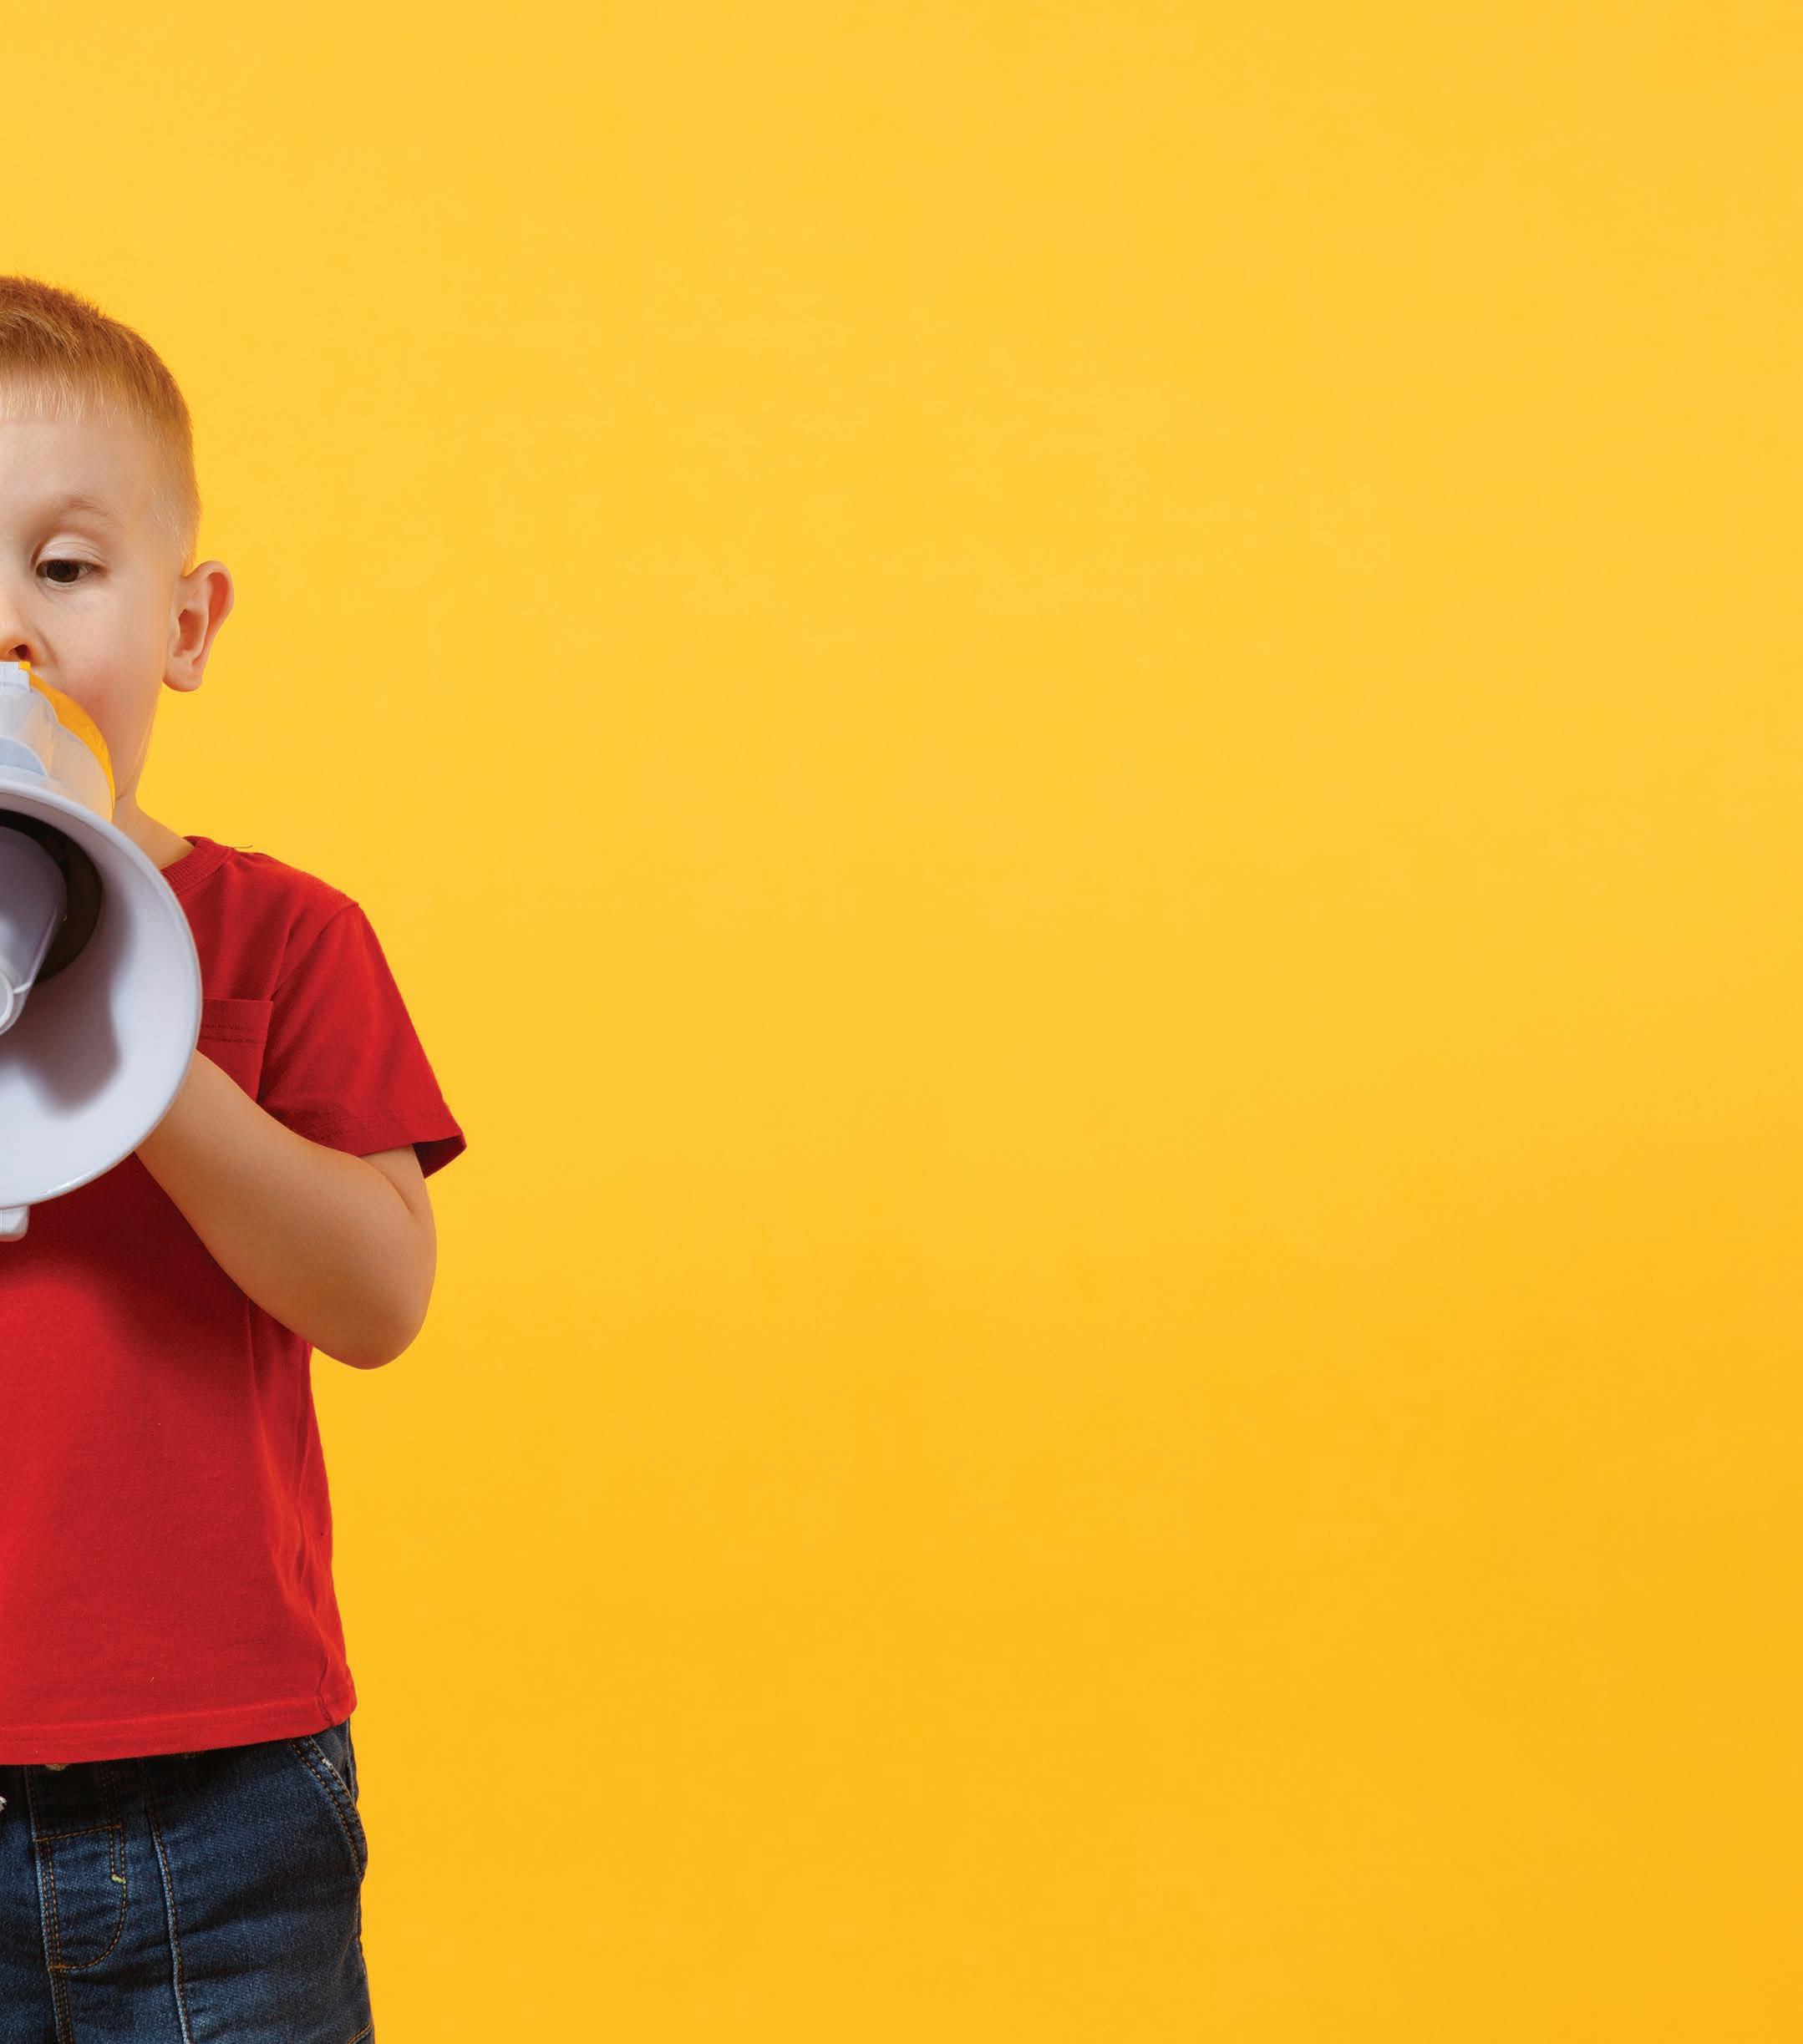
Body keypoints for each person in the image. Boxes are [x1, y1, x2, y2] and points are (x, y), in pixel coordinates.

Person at [0, 274, 465, 2040]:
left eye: (63, 568)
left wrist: (137, 1033)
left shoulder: (286, 938)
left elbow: (378, 1299)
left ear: (186, 624)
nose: (6, 637)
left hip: (224, 1794)